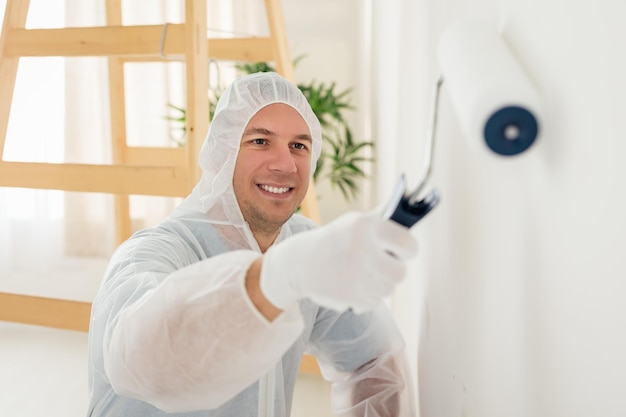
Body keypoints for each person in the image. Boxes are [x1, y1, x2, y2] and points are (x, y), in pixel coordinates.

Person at [87, 71, 419, 416]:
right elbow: (146, 364)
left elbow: (374, 360)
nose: (285, 164)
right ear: (221, 155)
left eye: (299, 146)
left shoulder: (301, 246)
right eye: (260, 141)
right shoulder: (152, 253)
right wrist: (277, 277)